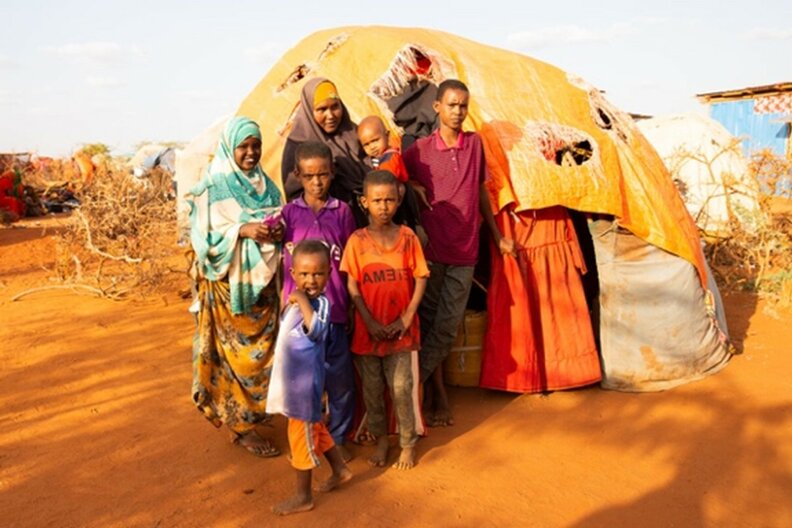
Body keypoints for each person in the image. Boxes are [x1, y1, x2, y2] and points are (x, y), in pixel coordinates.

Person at [403, 79, 514, 427]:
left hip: (465, 250)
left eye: (463, 105)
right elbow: (393, 179)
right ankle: (427, 394)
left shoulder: (475, 145)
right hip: (434, 251)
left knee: (447, 328)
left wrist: (495, 235)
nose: (458, 111)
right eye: (451, 105)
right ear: (437, 106)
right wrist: (410, 185)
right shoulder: (419, 150)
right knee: (431, 323)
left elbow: (480, 190)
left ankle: (407, 387)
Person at [189, 116, 284, 458]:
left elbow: (279, 219)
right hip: (227, 289)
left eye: (255, 145)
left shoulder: (268, 187)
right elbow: (202, 240)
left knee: (264, 355)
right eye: (243, 146)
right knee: (234, 359)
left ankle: (255, 412)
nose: (250, 152)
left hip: (265, 290)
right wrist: (241, 231)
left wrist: (273, 231)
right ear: (230, 147)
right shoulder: (212, 187)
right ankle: (241, 427)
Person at [340, 170, 429, 470]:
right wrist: (369, 321)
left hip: (401, 331)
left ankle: (407, 443)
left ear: (399, 198)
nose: (384, 206)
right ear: (364, 202)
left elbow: (420, 278)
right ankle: (380, 439)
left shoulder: (407, 238)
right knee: (373, 391)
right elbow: (352, 285)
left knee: (402, 388)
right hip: (369, 332)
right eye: (377, 200)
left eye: (390, 199)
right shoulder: (357, 241)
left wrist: (406, 317)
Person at [281, 141, 357, 460]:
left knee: (339, 382)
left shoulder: (343, 212)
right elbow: (281, 268)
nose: (317, 182)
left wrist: (351, 305)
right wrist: (283, 304)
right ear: (298, 175)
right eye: (309, 176)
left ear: (332, 173)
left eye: (323, 175)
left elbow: (351, 263)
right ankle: (308, 442)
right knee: (304, 383)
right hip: (299, 319)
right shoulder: (288, 213)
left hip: (336, 312)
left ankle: (338, 438)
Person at [267, 240, 353, 516]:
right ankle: (340, 470)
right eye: (304, 274)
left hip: (304, 389)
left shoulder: (322, 305)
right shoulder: (292, 302)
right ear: (293, 274)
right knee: (315, 429)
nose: (311, 280)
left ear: (329, 274)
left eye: (318, 274)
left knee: (300, 439)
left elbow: (316, 330)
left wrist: (302, 300)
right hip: (292, 383)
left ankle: (303, 496)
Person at [281, 78, 368, 225]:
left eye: (335, 106)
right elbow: (296, 195)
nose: (331, 115)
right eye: (321, 109)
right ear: (309, 110)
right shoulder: (297, 145)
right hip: (330, 227)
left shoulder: (354, 133)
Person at [357, 115, 425, 238]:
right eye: (366, 144)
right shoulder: (378, 158)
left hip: (396, 198)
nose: (372, 147)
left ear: (387, 135)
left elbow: (387, 182)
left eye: (375, 140)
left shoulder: (390, 157)